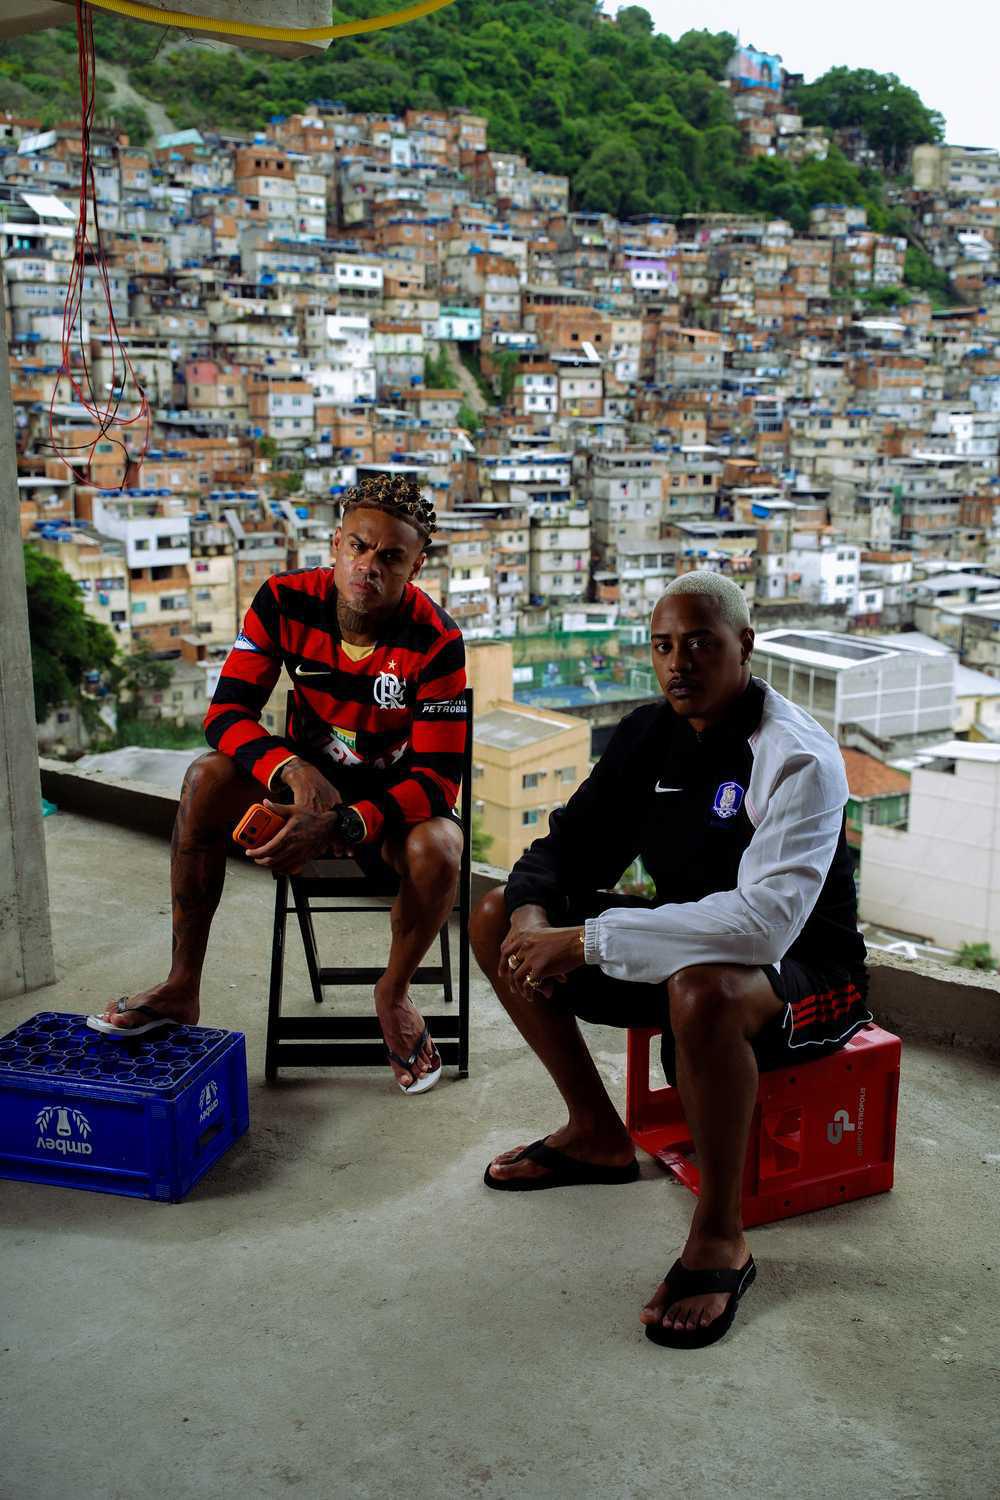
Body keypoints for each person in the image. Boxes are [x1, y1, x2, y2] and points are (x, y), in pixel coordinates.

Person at [469, 572, 871, 1346]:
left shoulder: (796, 757)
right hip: (686, 947)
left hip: (807, 972)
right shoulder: (649, 733)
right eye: (662, 646)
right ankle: (596, 1133)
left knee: (703, 994)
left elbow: (763, 926)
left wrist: (582, 942)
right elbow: (572, 842)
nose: (678, 663)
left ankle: (721, 1234)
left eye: (700, 644)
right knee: (492, 917)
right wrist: (530, 916)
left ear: (744, 646)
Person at [89, 474, 468, 1095]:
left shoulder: (438, 639)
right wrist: (290, 771)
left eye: (391, 556)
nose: (368, 566)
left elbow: (437, 782)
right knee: (206, 778)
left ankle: (394, 994)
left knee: (442, 849)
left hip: (387, 812)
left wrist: (347, 821)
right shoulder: (283, 599)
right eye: (358, 546)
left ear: (416, 565)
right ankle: (183, 984)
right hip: (300, 794)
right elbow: (225, 714)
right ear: (335, 544)